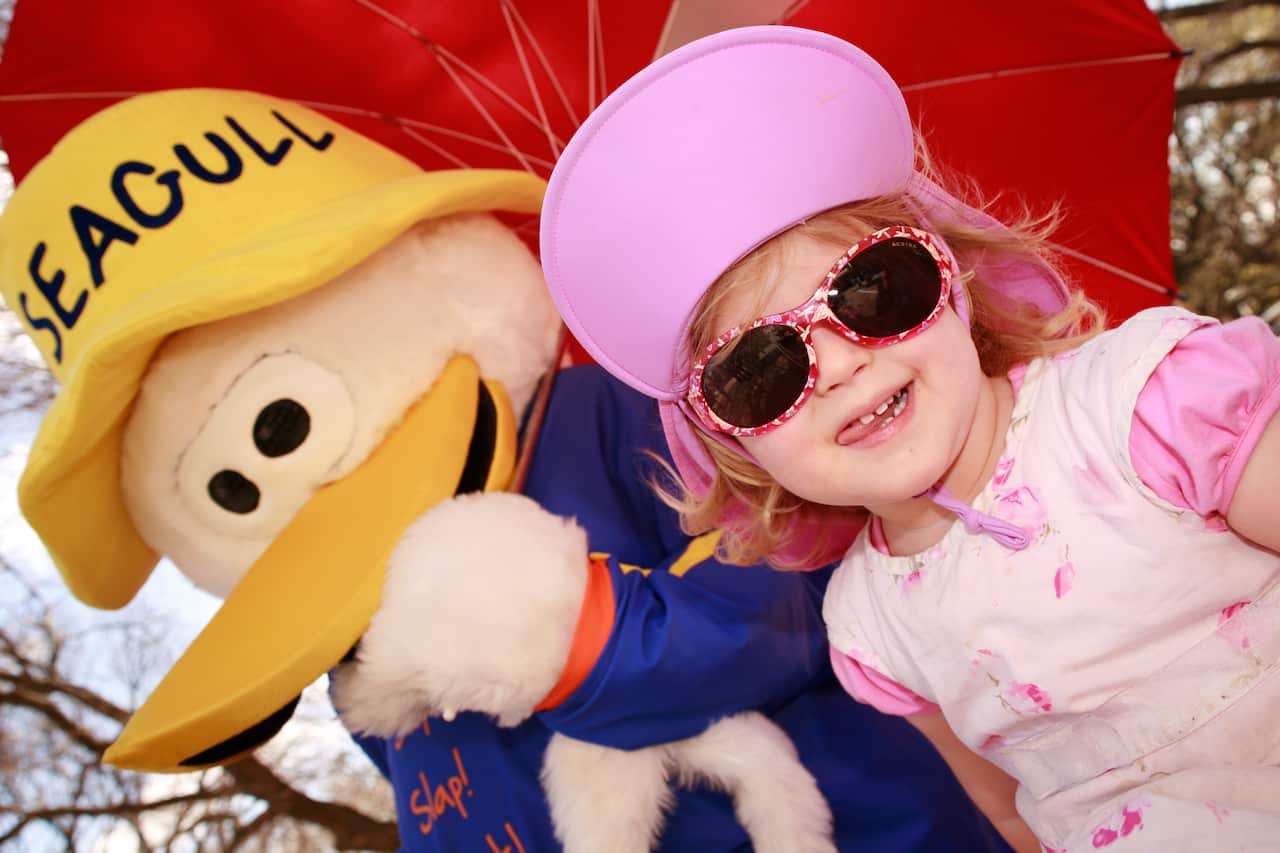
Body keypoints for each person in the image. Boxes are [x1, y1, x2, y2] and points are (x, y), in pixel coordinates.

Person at [539, 24, 1280, 853]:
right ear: (736, 447)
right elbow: (1012, 813)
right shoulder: (871, 623)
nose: (836, 366)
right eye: (760, 369)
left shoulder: (1139, 405)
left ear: (952, 280)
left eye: (871, 291)